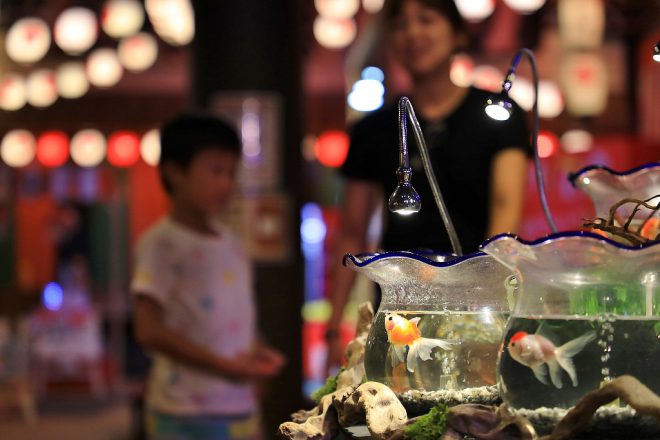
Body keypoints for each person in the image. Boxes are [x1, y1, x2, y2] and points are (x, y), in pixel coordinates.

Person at [325, 0, 531, 373]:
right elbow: (352, 231)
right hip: (400, 309)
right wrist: (332, 328)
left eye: (426, 19)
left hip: (478, 306)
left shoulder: (498, 115)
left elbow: (506, 217)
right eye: (400, 24)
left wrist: (484, 303)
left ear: (457, 34)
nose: (413, 33)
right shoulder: (373, 129)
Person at [131, 112, 286, 440]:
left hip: (240, 405)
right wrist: (226, 366)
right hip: (182, 411)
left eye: (231, 173)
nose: (227, 184)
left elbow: (238, 319)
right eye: (216, 171)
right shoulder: (160, 243)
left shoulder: (232, 243)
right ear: (175, 172)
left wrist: (256, 351)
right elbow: (148, 330)